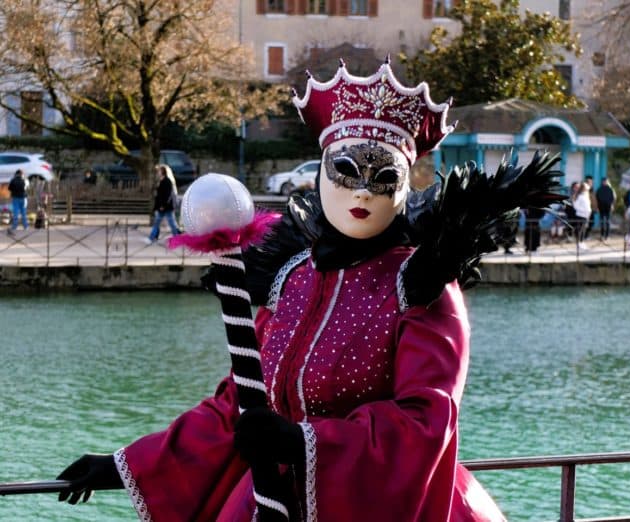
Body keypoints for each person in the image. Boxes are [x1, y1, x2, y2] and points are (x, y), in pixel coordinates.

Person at [55, 62, 562, 521]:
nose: (363, 191)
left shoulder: (423, 287)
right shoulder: (292, 275)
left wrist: (303, 443)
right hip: (272, 502)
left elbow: (426, 423)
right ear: (321, 171)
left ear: (406, 184)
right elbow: (242, 400)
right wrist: (126, 464)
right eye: (346, 170)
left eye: (383, 177)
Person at [147, 164, 180, 244]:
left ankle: (176, 237)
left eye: (158, 171)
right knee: (159, 222)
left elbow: (167, 195)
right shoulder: (161, 181)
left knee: (169, 222)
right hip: (163, 206)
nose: (157, 173)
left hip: (165, 207)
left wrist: (162, 205)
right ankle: (152, 237)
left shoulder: (167, 181)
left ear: (162, 172)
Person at [7, 169, 29, 235]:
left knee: (16, 212)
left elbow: (9, 188)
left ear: (16, 174)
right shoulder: (25, 180)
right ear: (22, 174)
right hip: (23, 198)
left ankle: (15, 226)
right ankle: (25, 226)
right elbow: (27, 188)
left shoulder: (13, 180)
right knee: (23, 212)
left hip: (15, 198)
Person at [595, 177, 616, 241]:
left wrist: (612, 205)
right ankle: (602, 235)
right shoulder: (599, 189)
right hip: (601, 207)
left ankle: (607, 236)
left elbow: (613, 198)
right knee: (602, 222)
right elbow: (597, 199)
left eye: (606, 181)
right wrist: (597, 207)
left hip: (608, 207)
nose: (605, 182)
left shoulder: (610, 189)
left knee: (607, 222)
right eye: (604, 181)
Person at [572, 181, 592, 249]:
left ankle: (582, 242)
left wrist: (588, 211)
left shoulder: (585, 195)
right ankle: (579, 243)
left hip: (586, 215)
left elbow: (587, 206)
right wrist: (584, 210)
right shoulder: (580, 196)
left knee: (583, 230)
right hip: (580, 215)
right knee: (580, 230)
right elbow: (576, 206)